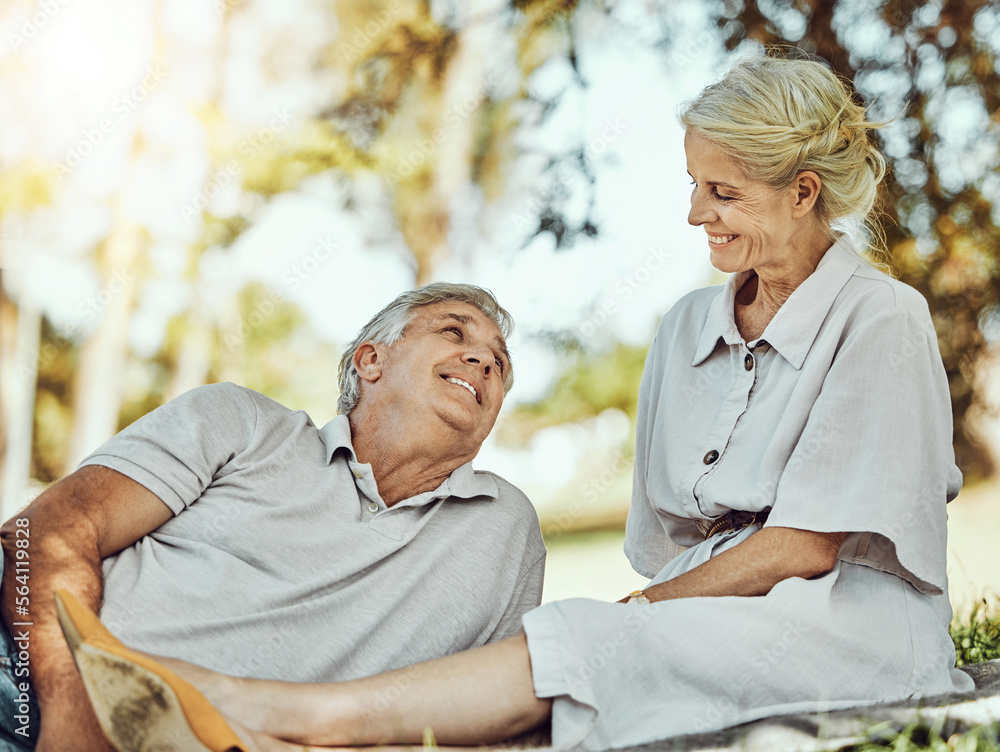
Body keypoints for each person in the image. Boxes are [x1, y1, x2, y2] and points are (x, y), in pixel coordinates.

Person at [52, 53, 975, 752]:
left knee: (592, 644)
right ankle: (243, 708)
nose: (697, 214)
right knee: (592, 644)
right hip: (717, 610)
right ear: (366, 360)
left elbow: (808, 543)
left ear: (802, 192)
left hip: (849, 619)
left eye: (723, 191)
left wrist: (647, 612)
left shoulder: (880, 319)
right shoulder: (685, 328)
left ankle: (283, 716)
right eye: (694, 186)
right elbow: (666, 534)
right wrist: (655, 608)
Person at [0, 283, 547, 752]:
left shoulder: (506, 529)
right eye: (454, 333)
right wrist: (70, 701)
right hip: (31, 675)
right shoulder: (241, 421)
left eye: (500, 362)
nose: (485, 361)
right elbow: (40, 533)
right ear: (372, 360)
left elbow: (499, 708)